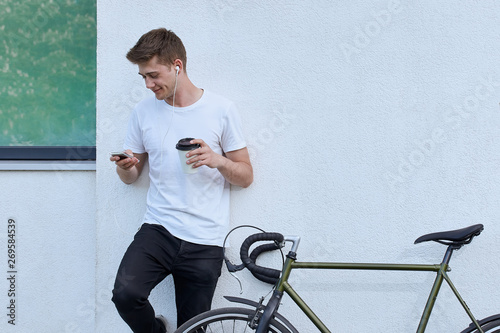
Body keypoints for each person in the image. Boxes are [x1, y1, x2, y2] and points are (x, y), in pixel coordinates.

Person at [110, 28, 253, 333]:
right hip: (158, 230)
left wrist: (217, 159)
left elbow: (246, 176)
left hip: (205, 239)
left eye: (153, 75)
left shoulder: (221, 110)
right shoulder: (143, 112)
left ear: (177, 65)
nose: (148, 85)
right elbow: (131, 177)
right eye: (143, 77)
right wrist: (126, 167)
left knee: (193, 328)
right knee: (125, 295)